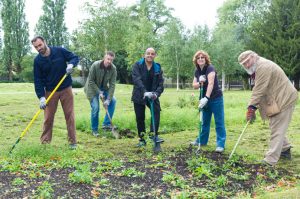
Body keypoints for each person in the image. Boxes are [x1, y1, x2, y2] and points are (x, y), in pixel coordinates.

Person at [238, 50, 298, 166]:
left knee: (277, 128)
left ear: (254, 56)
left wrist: (251, 107)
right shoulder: (258, 67)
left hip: (284, 98)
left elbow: (259, 89)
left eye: (248, 61)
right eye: (244, 64)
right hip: (276, 99)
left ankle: (270, 160)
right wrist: (253, 106)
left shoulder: (263, 66)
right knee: (275, 126)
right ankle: (285, 150)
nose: (247, 65)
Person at [31, 36, 79, 150]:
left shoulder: (59, 51)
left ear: (45, 42)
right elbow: (38, 80)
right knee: (48, 118)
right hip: (50, 91)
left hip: (66, 88)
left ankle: (73, 142)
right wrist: (41, 97)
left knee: (69, 115)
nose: (38, 48)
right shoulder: (37, 61)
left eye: (40, 45)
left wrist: (71, 64)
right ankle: (45, 143)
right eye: (36, 47)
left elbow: (74, 57)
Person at [191, 50, 226, 153]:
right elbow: (194, 85)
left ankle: (220, 144)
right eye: (198, 58)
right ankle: (202, 141)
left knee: (219, 121)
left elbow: (210, 84)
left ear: (206, 59)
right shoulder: (197, 71)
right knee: (204, 122)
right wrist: (200, 81)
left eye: (202, 57)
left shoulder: (210, 68)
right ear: (196, 60)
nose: (200, 59)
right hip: (203, 99)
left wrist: (206, 97)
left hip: (215, 98)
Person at [131, 47, 164, 147]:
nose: (150, 55)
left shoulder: (157, 67)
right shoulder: (137, 65)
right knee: (140, 117)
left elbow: (161, 84)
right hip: (139, 94)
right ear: (144, 55)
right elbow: (137, 80)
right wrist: (145, 92)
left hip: (153, 95)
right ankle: (142, 139)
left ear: (155, 55)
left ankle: (153, 135)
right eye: (148, 53)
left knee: (156, 112)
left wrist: (156, 94)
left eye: (152, 54)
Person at [84, 51, 117, 137]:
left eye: (111, 60)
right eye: (108, 59)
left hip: (103, 88)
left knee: (113, 101)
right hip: (91, 88)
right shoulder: (95, 65)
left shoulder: (113, 69)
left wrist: (108, 100)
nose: (109, 61)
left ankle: (106, 124)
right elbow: (90, 81)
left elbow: (112, 85)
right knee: (96, 107)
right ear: (104, 58)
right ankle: (94, 129)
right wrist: (99, 92)